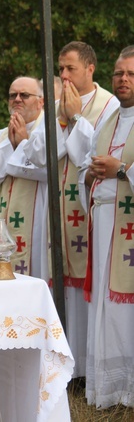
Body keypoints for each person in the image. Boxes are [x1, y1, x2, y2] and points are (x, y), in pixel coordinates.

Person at [25, 42, 119, 380]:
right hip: (56, 215)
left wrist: (75, 120)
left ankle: (84, 370)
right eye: (60, 69)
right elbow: (38, 156)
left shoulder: (110, 106)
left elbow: (86, 156)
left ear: (90, 69)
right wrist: (61, 120)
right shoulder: (55, 108)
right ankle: (62, 369)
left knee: (83, 291)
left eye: (70, 69)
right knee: (59, 285)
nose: (63, 75)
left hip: (88, 213)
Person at [78, 46, 134, 409]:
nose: (123, 80)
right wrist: (90, 175)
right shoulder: (109, 118)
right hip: (104, 227)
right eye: (119, 74)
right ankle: (111, 391)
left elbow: (119, 169)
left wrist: (123, 171)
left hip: (129, 231)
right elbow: (87, 164)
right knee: (104, 307)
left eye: (131, 74)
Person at [0, 77, 48, 278]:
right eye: (12, 95)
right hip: (4, 226)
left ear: (41, 101)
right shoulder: (0, 137)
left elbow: (48, 171)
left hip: (38, 224)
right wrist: (11, 148)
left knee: (36, 275)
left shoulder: (47, 134)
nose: (17, 99)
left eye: (24, 95)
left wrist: (24, 143)